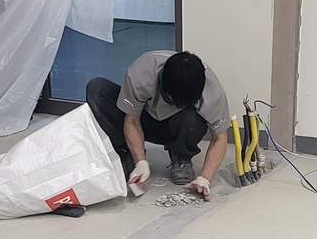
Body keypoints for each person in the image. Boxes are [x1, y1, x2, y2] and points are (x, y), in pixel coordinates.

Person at [86, 50, 229, 201]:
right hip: (144, 120)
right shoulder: (141, 74)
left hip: (179, 126)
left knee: (192, 119)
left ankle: (181, 156)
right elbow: (132, 120)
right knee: (97, 88)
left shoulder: (212, 93)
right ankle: (126, 152)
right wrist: (140, 161)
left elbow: (220, 138)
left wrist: (205, 178)